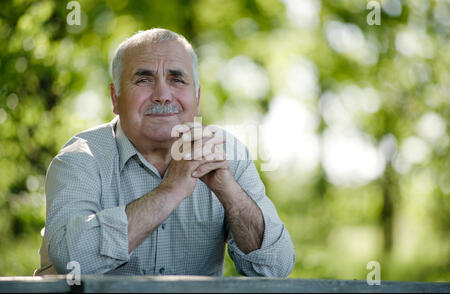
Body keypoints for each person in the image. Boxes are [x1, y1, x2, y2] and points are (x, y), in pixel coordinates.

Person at [34, 28, 295, 277]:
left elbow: (275, 267)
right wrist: (170, 191)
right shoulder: (80, 159)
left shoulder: (227, 155)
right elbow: (71, 261)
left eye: (177, 79)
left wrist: (230, 193)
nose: (162, 95)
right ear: (115, 98)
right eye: (144, 79)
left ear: (197, 97)